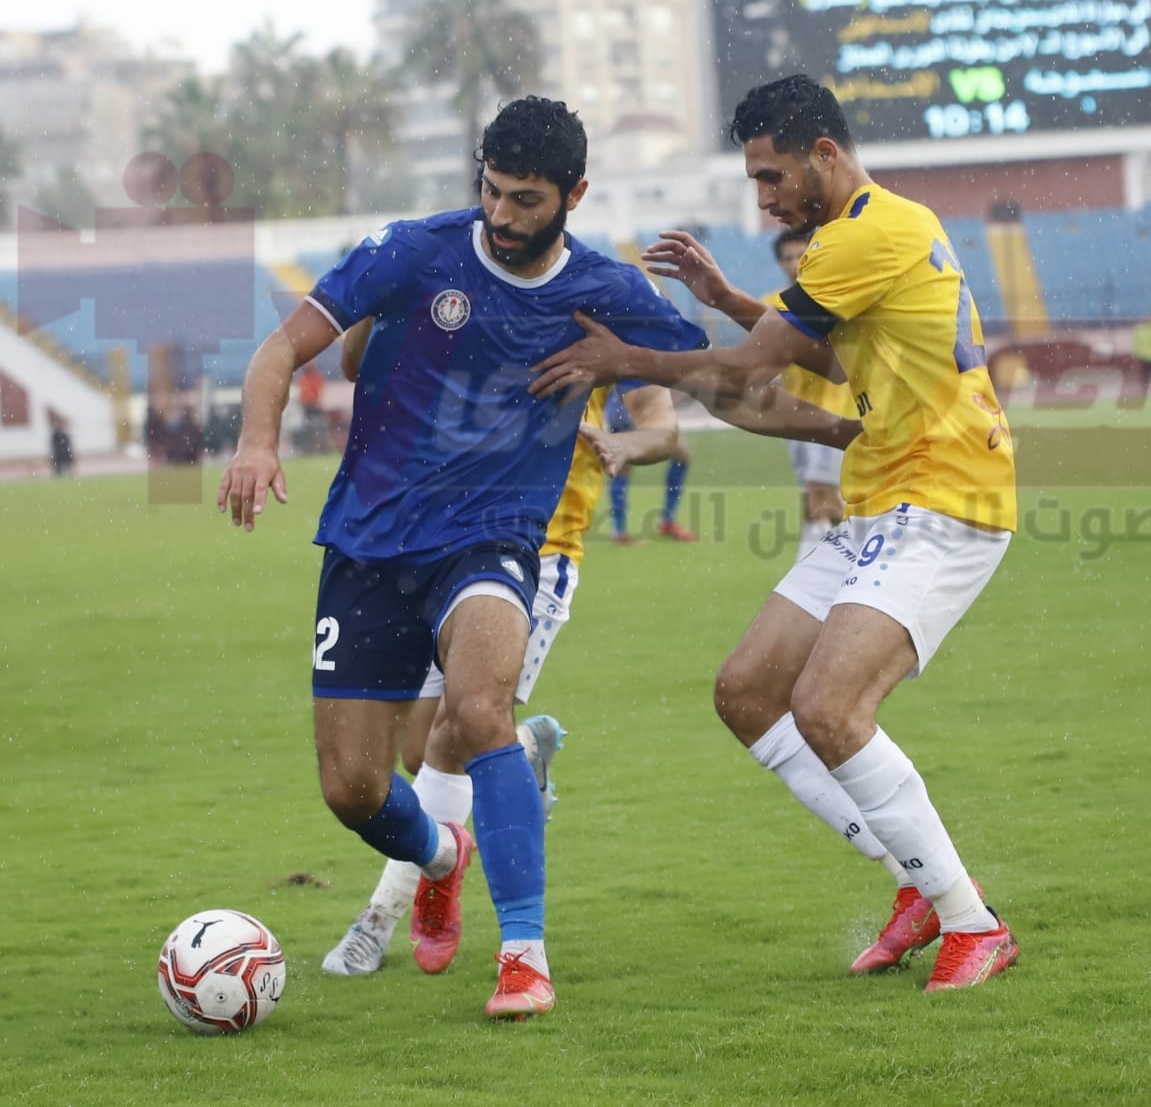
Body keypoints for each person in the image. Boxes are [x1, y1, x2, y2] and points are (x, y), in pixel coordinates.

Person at [217, 95, 850, 1020]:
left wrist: (846, 432)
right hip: (367, 541)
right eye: (492, 192)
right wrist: (256, 442)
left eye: (525, 200)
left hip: (493, 540)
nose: (502, 216)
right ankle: (442, 854)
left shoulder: (607, 292)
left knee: (479, 713)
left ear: (573, 195)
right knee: (353, 789)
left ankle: (523, 955)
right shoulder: (413, 250)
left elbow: (729, 388)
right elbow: (284, 348)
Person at [531, 74, 1020, 992]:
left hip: (946, 498)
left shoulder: (868, 233)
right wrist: (726, 297)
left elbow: (747, 373)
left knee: (830, 708)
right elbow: (830, 358)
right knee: (749, 690)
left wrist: (623, 358)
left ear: (824, 155)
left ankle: (971, 922)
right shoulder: (864, 233)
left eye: (771, 176)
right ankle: (918, 879)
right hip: (882, 497)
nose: (763, 199)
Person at [322, 352, 682, 976]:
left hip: (540, 552)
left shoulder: (601, 310)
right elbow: (363, 364)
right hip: (445, 545)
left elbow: (662, 424)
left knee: (453, 735)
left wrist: (625, 443)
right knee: (419, 751)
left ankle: (377, 920)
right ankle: (519, 750)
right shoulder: (457, 306)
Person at [770, 227, 853, 560]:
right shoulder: (772, 304)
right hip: (794, 419)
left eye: (800, 255)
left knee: (819, 492)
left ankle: (811, 562)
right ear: (780, 263)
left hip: (832, 411)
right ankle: (849, 552)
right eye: (787, 257)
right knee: (817, 495)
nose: (794, 263)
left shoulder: (832, 299)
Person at [603, 389, 698, 543]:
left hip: (621, 407)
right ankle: (665, 520)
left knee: (622, 466)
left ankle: (620, 530)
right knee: (680, 456)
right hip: (638, 407)